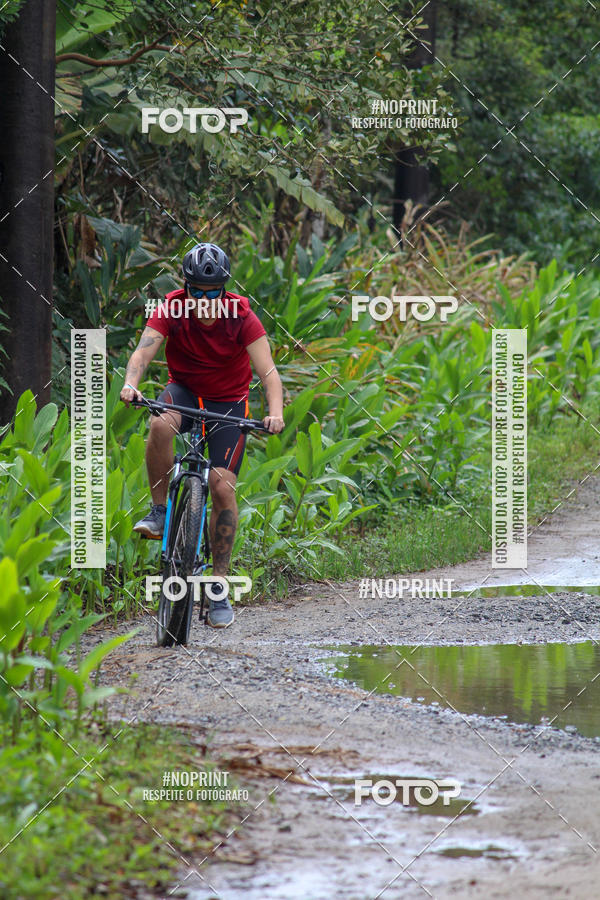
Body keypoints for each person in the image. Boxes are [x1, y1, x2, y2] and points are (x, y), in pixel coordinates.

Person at [120, 242, 284, 628]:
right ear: (186, 287)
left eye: (213, 293)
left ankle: (218, 585)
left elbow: (268, 373)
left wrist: (275, 413)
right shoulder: (172, 308)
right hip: (184, 392)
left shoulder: (242, 317)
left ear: (224, 290)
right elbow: (142, 354)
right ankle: (160, 511)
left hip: (228, 403)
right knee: (159, 424)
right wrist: (131, 384)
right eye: (197, 291)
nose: (205, 301)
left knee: (222, 487)